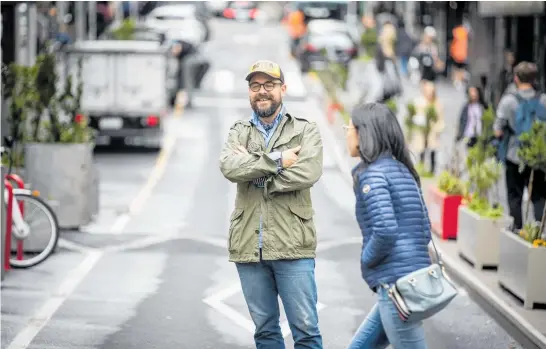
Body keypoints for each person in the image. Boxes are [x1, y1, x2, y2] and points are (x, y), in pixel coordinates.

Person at [219, 60, 324, 349]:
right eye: (255, 86)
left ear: (283, 89)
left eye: (269, 85)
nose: (261, 91)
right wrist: (277, 161)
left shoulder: (305, 130)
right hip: (249, 247)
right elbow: (230, 167)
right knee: (265, 331)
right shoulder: (239, 132)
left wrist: (257, 175)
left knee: (306, 330)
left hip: (293, 245)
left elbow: (308, 172)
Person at [344, 102, 431, 349]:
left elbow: (384, 230)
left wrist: (367, 259)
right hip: (410, 281)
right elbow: (425, 229)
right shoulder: (402, 169)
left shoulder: (372, 175)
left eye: (348, 128)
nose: (347, 134)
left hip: (395, 287)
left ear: (363, 133)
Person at [494, 62, 546, 231]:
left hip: (514, 155)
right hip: (538, 156)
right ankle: (539, 230)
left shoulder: (508, 100)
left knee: (514, 195)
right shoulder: (543, 99)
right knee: (538, 196)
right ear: (534, 79)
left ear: (516, 78)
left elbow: (497, 130)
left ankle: (517, 228)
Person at [409, 81, 445, 174]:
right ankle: (421, 167)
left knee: (432, 150)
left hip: (432, 130)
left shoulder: (436, 103)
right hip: (422, 130)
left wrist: (438, 128)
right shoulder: (419, 102)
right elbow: (414, 115)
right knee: (421, 149)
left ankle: (432, 169)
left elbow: (440, 119)